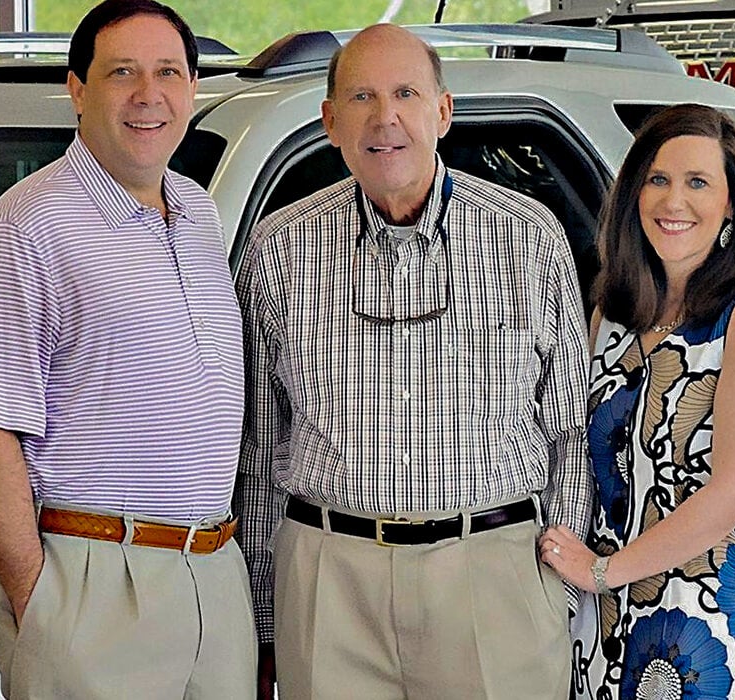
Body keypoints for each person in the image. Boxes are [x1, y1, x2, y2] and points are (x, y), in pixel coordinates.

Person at [235, 23, 592, 700]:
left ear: (443, 111)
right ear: (330, 121)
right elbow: (258, 451)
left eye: (405, 93)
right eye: (362, 97)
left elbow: (568, 432)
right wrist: (264, 620)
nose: (385, 118)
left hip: (492, 577)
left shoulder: (528, 237)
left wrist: (557, 590)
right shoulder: (277, 249)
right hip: (329, 584)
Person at [0, 1, 256, 697]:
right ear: (78, 90)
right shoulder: (27, 226)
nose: (149, 95)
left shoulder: (197, 212)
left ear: (192, 88)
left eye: (168, 72)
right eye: (122, 73)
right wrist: (41, 603)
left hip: (212, 573)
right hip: (92, 579)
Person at [539, 103, 735, 699]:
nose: (673, 201)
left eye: (698, 182)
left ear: (732, 204)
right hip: (603, 624)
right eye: (657, 179)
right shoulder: (614, 315)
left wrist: (604, 571)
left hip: (704, 626)